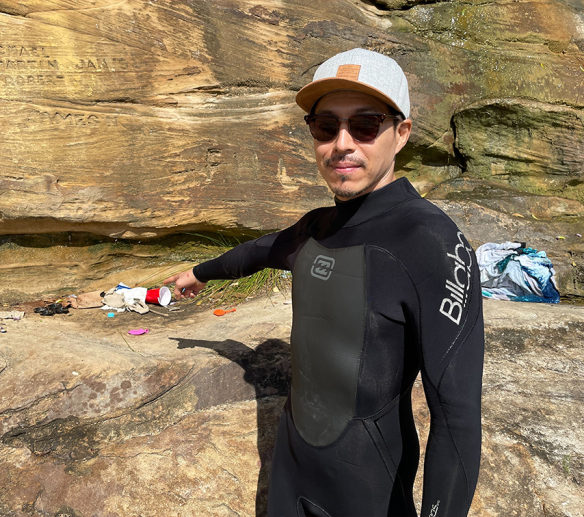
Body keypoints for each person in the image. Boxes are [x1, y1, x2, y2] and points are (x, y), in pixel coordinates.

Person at [164, 48, 484, 517]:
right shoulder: (316, 229)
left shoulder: (431, 244)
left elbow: (456, 421)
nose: (342, 143)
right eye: (325, 125)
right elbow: (259, 251)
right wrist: (199, 273)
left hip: (367, 493)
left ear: (402, 134)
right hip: (291, 480)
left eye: (366, 124)